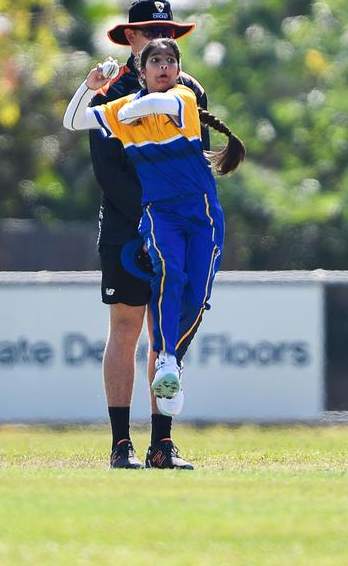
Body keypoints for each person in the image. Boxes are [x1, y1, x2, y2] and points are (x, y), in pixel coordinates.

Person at [65, 36, 246, 470]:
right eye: (156, 61)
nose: (164, 67)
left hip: (202, 216)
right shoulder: (130, 105)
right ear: (140, 69)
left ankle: (169, 357)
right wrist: (89, 88)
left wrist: (120, 111)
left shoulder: (182, 97)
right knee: (170, 280)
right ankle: (167, 364)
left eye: (171, 61)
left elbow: (148, 109)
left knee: (197, 297)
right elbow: (73, 122)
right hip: (160, 216)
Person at [85, 0, 207, 470]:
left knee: (166, 333)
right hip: (126, 224)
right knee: (125, 328)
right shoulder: (110, 92)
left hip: (175, 226)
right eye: (150, 32)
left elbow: (198, 159)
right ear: (131, 40)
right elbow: (107, 172)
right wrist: (148, 214)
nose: (161, 41)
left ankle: (162, 444)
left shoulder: (189, 91)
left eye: (168, 34)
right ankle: (121, 444)